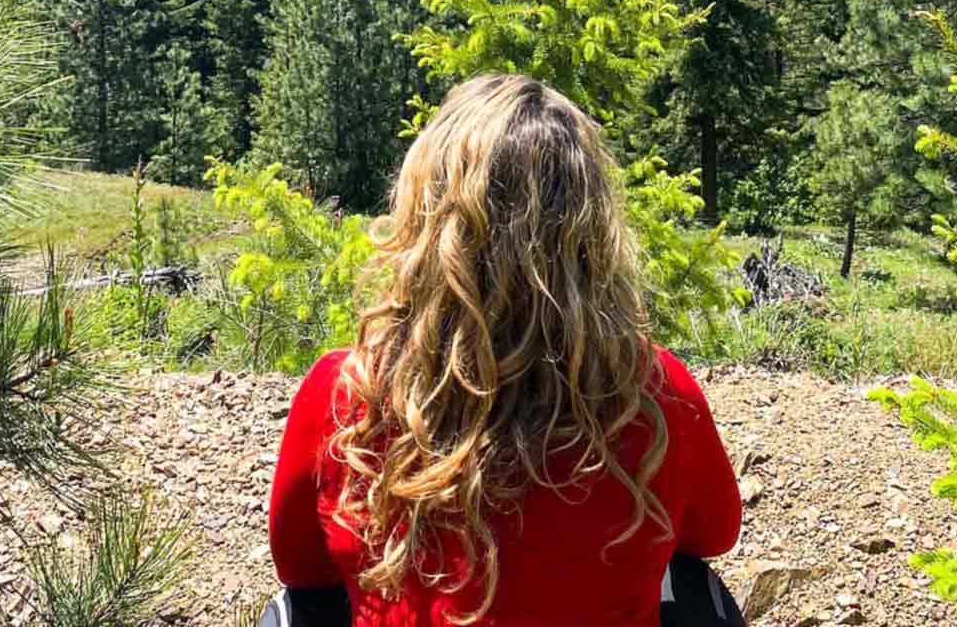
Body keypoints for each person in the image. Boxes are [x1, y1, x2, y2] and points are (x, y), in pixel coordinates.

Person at [266, 74, 743, 626]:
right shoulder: (656, 390)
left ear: (426, 217)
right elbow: (716, 531)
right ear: (592, 232)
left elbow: (299, 565)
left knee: (299, 610)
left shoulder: (347, 389)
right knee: (692, 585)